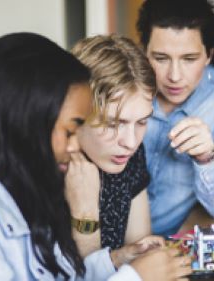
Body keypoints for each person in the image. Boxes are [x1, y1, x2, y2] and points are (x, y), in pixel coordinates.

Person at [0, 32, 191, 281]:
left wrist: (116, 260)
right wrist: (134, 277)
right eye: (70, 129)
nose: (75, 145)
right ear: (29, 121)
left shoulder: (22, 180)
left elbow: (60, 275)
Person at [136, 0, 214, 235]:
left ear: (209, 55)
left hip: (173, 244)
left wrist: (207, 158)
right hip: (104, 243)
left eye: (189, 59)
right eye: (161, 58)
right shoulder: (123, 85)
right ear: (144, 52)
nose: (174, 76)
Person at [66, 35, 156, 260]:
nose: (131, 142)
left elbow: (138, 253)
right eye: (114, 124)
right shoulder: (45, 167)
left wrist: (127, 257)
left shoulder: (129, 155)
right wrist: (85, 209)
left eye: (142, 122)